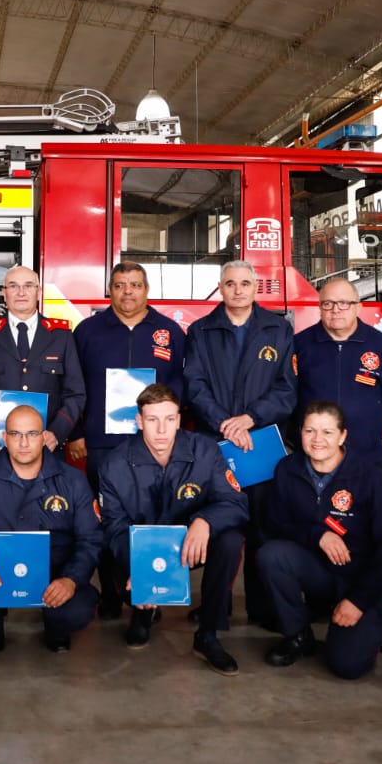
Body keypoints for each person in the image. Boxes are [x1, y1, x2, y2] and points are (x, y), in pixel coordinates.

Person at [98, 384, 248, 674]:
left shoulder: (204, 450)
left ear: (179, 420)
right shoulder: (114, 464)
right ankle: (143, 614)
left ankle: (207, 634)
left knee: (230, 541)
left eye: (169, 419)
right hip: (141, 551)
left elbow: (236, 502)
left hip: (190, 547)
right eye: (152, 420)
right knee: (108, 550)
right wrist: (139, 569)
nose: (162, 429)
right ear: (139, 421)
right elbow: (114, 529)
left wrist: (205, 521)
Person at [69, 261, 186, 621]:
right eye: (120, 285)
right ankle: (110, 592)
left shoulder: (169, 332)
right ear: (111, 290)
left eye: (135, 285)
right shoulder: (88, 331)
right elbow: (75, 386)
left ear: (146, 289)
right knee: (106, 519)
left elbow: (181, 385)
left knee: (150, 517)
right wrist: (76, 432)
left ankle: (147, 594)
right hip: (102, 443)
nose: (127, 292)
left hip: (154, 444)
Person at [184, 259, 297, 628]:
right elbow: (194, 385)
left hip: (259, 445)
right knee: (222, 529)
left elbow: (286, 389)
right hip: (214, 446)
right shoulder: (201, 331)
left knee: (263, 527)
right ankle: (216, 608)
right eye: (230, 283)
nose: (237, 289)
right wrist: (223, 423)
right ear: (221, 286)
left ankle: (261, 607)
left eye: (245, 283)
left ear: (255, 287)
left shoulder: (278, 329)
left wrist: (250, 419)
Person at [0, 405, 102, 666]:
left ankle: (56, 629)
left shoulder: (73, 480)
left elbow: (91, 539)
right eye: (15, 434)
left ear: (44, 437)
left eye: (31, 434)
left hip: (56, 572)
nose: (23, 443)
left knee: (79, 607)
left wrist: (71, 579)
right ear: (4, 437)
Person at [260, 401, 382, 678]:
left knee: (347, 666)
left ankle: (380, 619)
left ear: (343, 436)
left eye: (327, 432)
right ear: (299, 433)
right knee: (271, 555)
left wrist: (359, 601)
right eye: (310, 431)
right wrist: (318, 535)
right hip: (319, 570)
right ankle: (299, 635)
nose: (317, 440)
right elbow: (274, 526)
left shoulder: (371, 478)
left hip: (363, 578)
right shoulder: (287, 470)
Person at [0, 265, 85, 463]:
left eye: (28, 286)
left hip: (47, 449)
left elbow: (76, 393)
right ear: (4, 294)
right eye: (13, 286)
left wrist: (56, 433)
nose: (21, 292)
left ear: (38, 292)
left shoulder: (61, 336)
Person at [293, 277, 382, 466]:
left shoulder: (381, 344)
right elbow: (288, 392)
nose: (336, 310)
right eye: (328, 303)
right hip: (313, 454)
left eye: (344, 303)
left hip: (366, 452)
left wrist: (367, 418)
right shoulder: (300, 345)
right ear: (319, 307)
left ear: (358, 307)